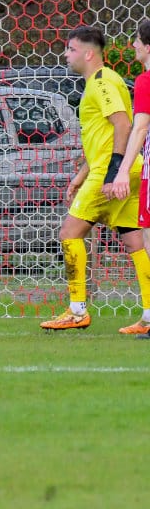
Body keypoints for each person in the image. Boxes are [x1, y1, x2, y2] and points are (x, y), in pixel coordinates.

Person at [40, 25, 150, 331]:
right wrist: (80, 175)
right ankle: (149, 316)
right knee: (135, 241)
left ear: (88, 54)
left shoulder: (102, 83)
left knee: (69, 234)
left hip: (110, 172)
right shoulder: (105, 80)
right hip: (124, 168)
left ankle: (77, 311)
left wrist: (114, 173)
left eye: (71, 49)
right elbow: (103, 136)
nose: (66, 54)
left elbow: (122, 125)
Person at [104, 18, 150, 335]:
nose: (132, 44)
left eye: (136, 40)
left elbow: (140, 127)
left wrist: (122, 171)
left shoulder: (146, 81)